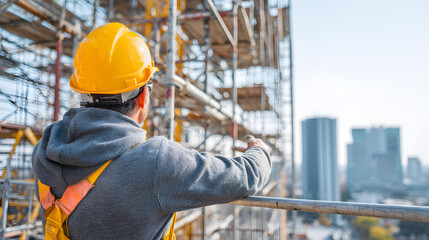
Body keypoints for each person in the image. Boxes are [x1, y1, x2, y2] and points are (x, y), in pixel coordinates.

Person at [32, 22, 271, 240]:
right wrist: (259, 151)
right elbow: (244, 176)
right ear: (143, 96)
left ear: (82, 90)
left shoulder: (44, 151)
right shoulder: (154, 163)